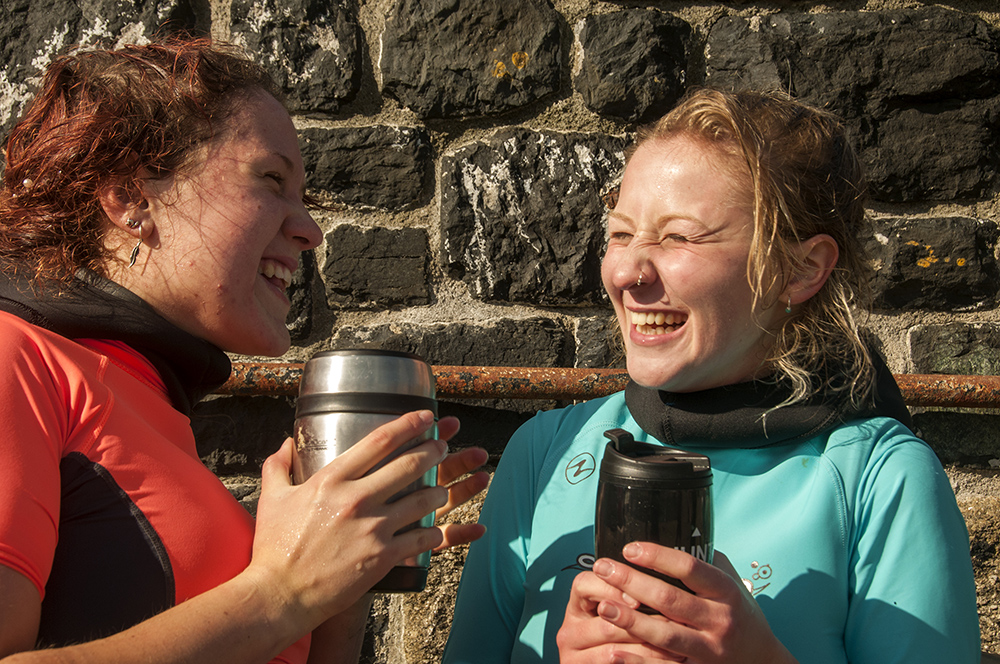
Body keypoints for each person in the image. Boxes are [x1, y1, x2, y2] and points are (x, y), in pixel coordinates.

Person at [442, 88, 980, 663]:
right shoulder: (545, 452)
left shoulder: (880, 477)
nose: (625, 270)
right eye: (621, 233)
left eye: (678, 237)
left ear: (800, 270)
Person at [0, 38, 489, 663]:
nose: (310, 229)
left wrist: (344, 578)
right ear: (131, 199)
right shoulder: (20, 361)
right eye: (271, 179)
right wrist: (281, 592)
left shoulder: (150, 407)